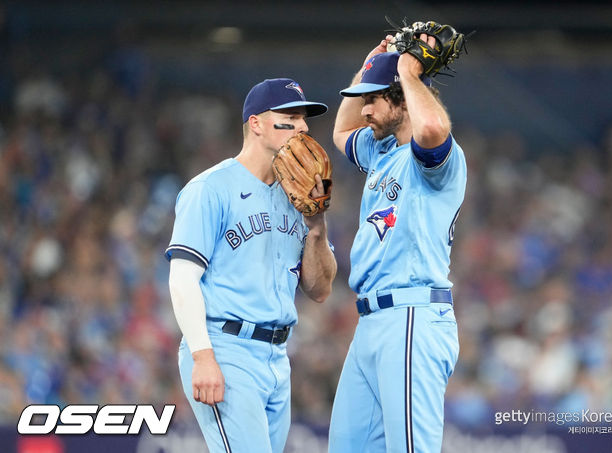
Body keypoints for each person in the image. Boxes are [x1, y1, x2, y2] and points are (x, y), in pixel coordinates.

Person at [166, 78, 337, 453]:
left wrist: (317, 226)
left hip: (277, 358)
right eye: (289, 117)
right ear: (257, 123)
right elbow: (181, 279)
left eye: (304, 119)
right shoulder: (210, 188)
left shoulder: (300, 194)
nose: (303, 127)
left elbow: (320, 289)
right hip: (226, 348)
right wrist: (203, 356)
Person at [328, 34, 466, 453]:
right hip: (372, 322)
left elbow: (430, 127)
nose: (364, 108)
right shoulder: (381, 150)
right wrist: (370, 64)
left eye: (373, 99)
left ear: (403, 99)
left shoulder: (435, 161)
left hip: (411, 315)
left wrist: (408, 71)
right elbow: (341, 131)